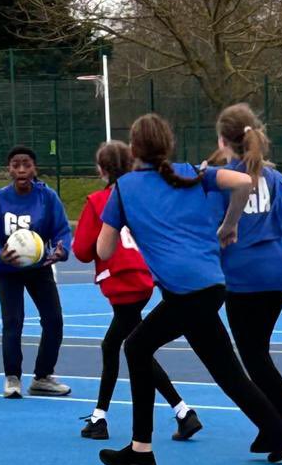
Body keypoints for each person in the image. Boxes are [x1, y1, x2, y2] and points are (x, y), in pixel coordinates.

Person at [95, 113, 282, 465]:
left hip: (187, 293)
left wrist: (123, 226)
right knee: (231, 376)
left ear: (133, 150)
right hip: (209, 286)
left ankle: (142, 450)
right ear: (168, 145)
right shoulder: (190, 174)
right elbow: (244, 181)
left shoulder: (125, 189)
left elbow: (102, 249)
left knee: (135, 346)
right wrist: (228, 224)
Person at [72, 139, 201, 441]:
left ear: (101, 170)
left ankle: (181, 411)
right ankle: (102, 415)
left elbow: (81, 250)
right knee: (119, 344)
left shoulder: (98, 201)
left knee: (134, 348)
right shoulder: (140, 195)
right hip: (144, 277)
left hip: (121, 282)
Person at [208, 103, 282, 463]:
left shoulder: (224, 180)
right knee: (259, 352)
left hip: (245, 276)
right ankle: (272, 428)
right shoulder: (273, 177)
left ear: (223, 140)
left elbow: (212, 222)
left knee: (253, 357)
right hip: (280, 272)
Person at [0, 145, 72, 398]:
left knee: (53, 321)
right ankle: (12, 378)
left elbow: (62, 231)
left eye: (27, 164)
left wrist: (61, 250)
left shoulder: (47, 197)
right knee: (13, 323)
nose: (21, 169)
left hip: (39, 267)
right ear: (9, 169)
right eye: (16, 164)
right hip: (7, 269)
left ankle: (43, 377)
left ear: (35, 168)